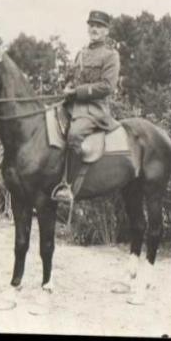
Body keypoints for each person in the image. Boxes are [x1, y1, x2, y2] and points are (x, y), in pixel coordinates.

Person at [52, 10, 121, 202]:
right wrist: (68, 88)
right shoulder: (81, 54)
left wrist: (78, 92)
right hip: (74, 106)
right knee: (51, 127)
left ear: (106, 31)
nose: (94, 29)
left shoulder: (111, 55)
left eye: (99, 26)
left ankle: (68, 187)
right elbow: (74, 80)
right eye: (92, 25)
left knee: (74, 135)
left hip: (94, 110)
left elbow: (107, 86)